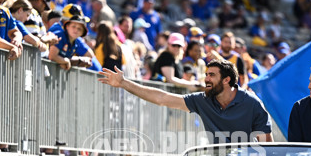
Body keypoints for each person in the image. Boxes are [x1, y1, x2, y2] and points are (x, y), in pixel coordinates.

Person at [98, 59, 273, 143]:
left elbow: (267, 149)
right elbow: (162, 99)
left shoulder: (252, 104)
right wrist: (123, 83)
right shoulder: (203, 100)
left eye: (212, 75)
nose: (206, 79)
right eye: (206, 75)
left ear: (226, 80)